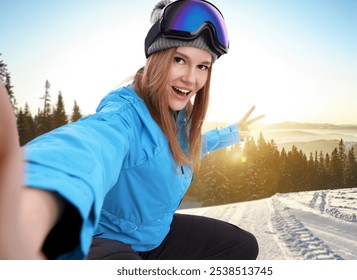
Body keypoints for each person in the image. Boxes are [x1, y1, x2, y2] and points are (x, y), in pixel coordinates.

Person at [0, 0, 264, 260]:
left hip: (152, 237)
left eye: (202, 66)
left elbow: (188, 148)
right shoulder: (125, 115)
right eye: (179, 59)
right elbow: (91, 144)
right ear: (157, 59)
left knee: (241, 246)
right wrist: (34, 198)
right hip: (104, 240)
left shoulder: (180, 116)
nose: (191, 78)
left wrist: (233, 133)